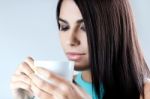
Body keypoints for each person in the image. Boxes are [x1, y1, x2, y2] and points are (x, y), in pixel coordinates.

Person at [10, 0, 150, 99]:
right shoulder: (56, 90)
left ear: (115, 29)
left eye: (85, 28)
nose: (71, 40)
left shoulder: (145, 92)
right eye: (64, 27)